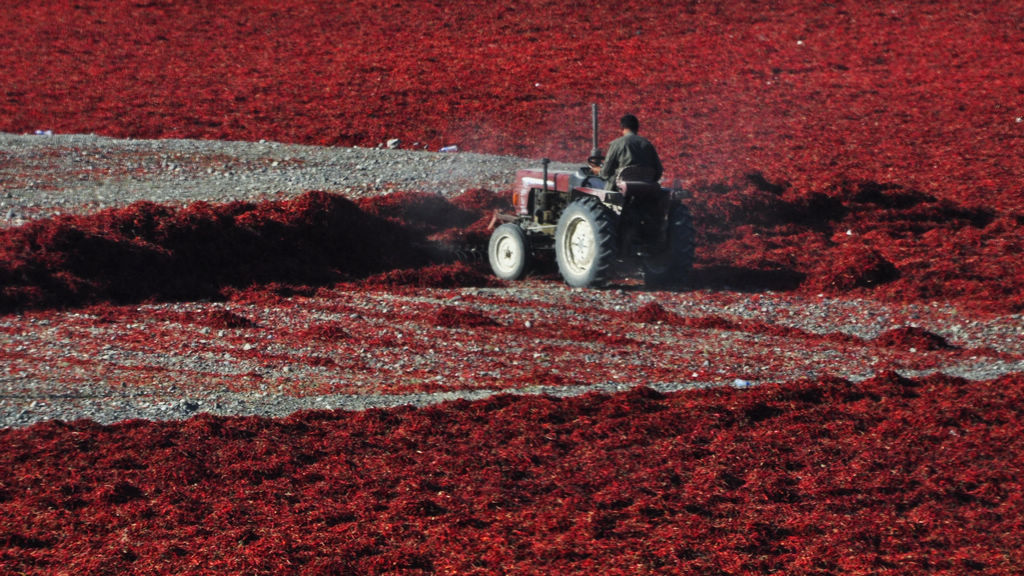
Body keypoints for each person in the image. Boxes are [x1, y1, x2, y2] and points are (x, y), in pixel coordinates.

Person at [598, 114, 663, 189]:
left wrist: (599, 171)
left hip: (619, 191)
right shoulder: (647, 144)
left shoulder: (617, 144)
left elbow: (605, 172)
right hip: (645, 190)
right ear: (637, 128)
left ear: (622, 127)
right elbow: (658, 170)